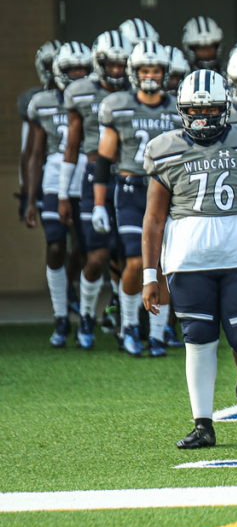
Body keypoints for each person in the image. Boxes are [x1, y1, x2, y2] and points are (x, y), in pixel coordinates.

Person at [141, 69, 237, 449]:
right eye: (195, 109)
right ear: (182, 110)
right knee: (199, 339)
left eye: (209, 108)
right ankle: (202, 423)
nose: (202, 116)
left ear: (224, 107)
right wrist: (150, 275)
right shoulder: (164, 149)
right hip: (188, 260)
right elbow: (154, 219)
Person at [93, 41, 182, 356]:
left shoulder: (177, 107)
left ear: (164, 73)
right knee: (134, 261)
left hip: (167, 190)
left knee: (164, 264)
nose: (150, 75)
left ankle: (157, 334)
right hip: (131, 189)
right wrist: (98, 203)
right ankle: (129, 326)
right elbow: (103, 160)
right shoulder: (118, 105)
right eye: (145, 70)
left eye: (156, 70)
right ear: (135, 72)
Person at [59, 31, 131, 349]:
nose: (116, 70)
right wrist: (64, 193)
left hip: (126, 177)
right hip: (92, 176)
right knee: (98, 255)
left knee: (127, 254)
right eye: (110, 64)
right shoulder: (80, 92)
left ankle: (127, 321)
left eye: (121, 64)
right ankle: (87, 314)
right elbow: (72, 145)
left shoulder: (135, 93)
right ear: (99, 63)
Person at [23, 41, 91, 347]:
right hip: (53, 181)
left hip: (86, 179)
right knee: (55, 245)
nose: (77, 74)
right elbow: (35, 153)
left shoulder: (95, 98)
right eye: (71, 69)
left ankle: (80, 303)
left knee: (87, 249)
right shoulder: (42, 102)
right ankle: (61, 315)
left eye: (83, 69)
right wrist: (30, 198)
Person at [16, 40, 60, 221]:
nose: (55, 69)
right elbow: (28, 151)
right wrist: (25, 190)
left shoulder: (81, 96)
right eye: (50, 64)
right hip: (47, 169)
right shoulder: (36, 100)